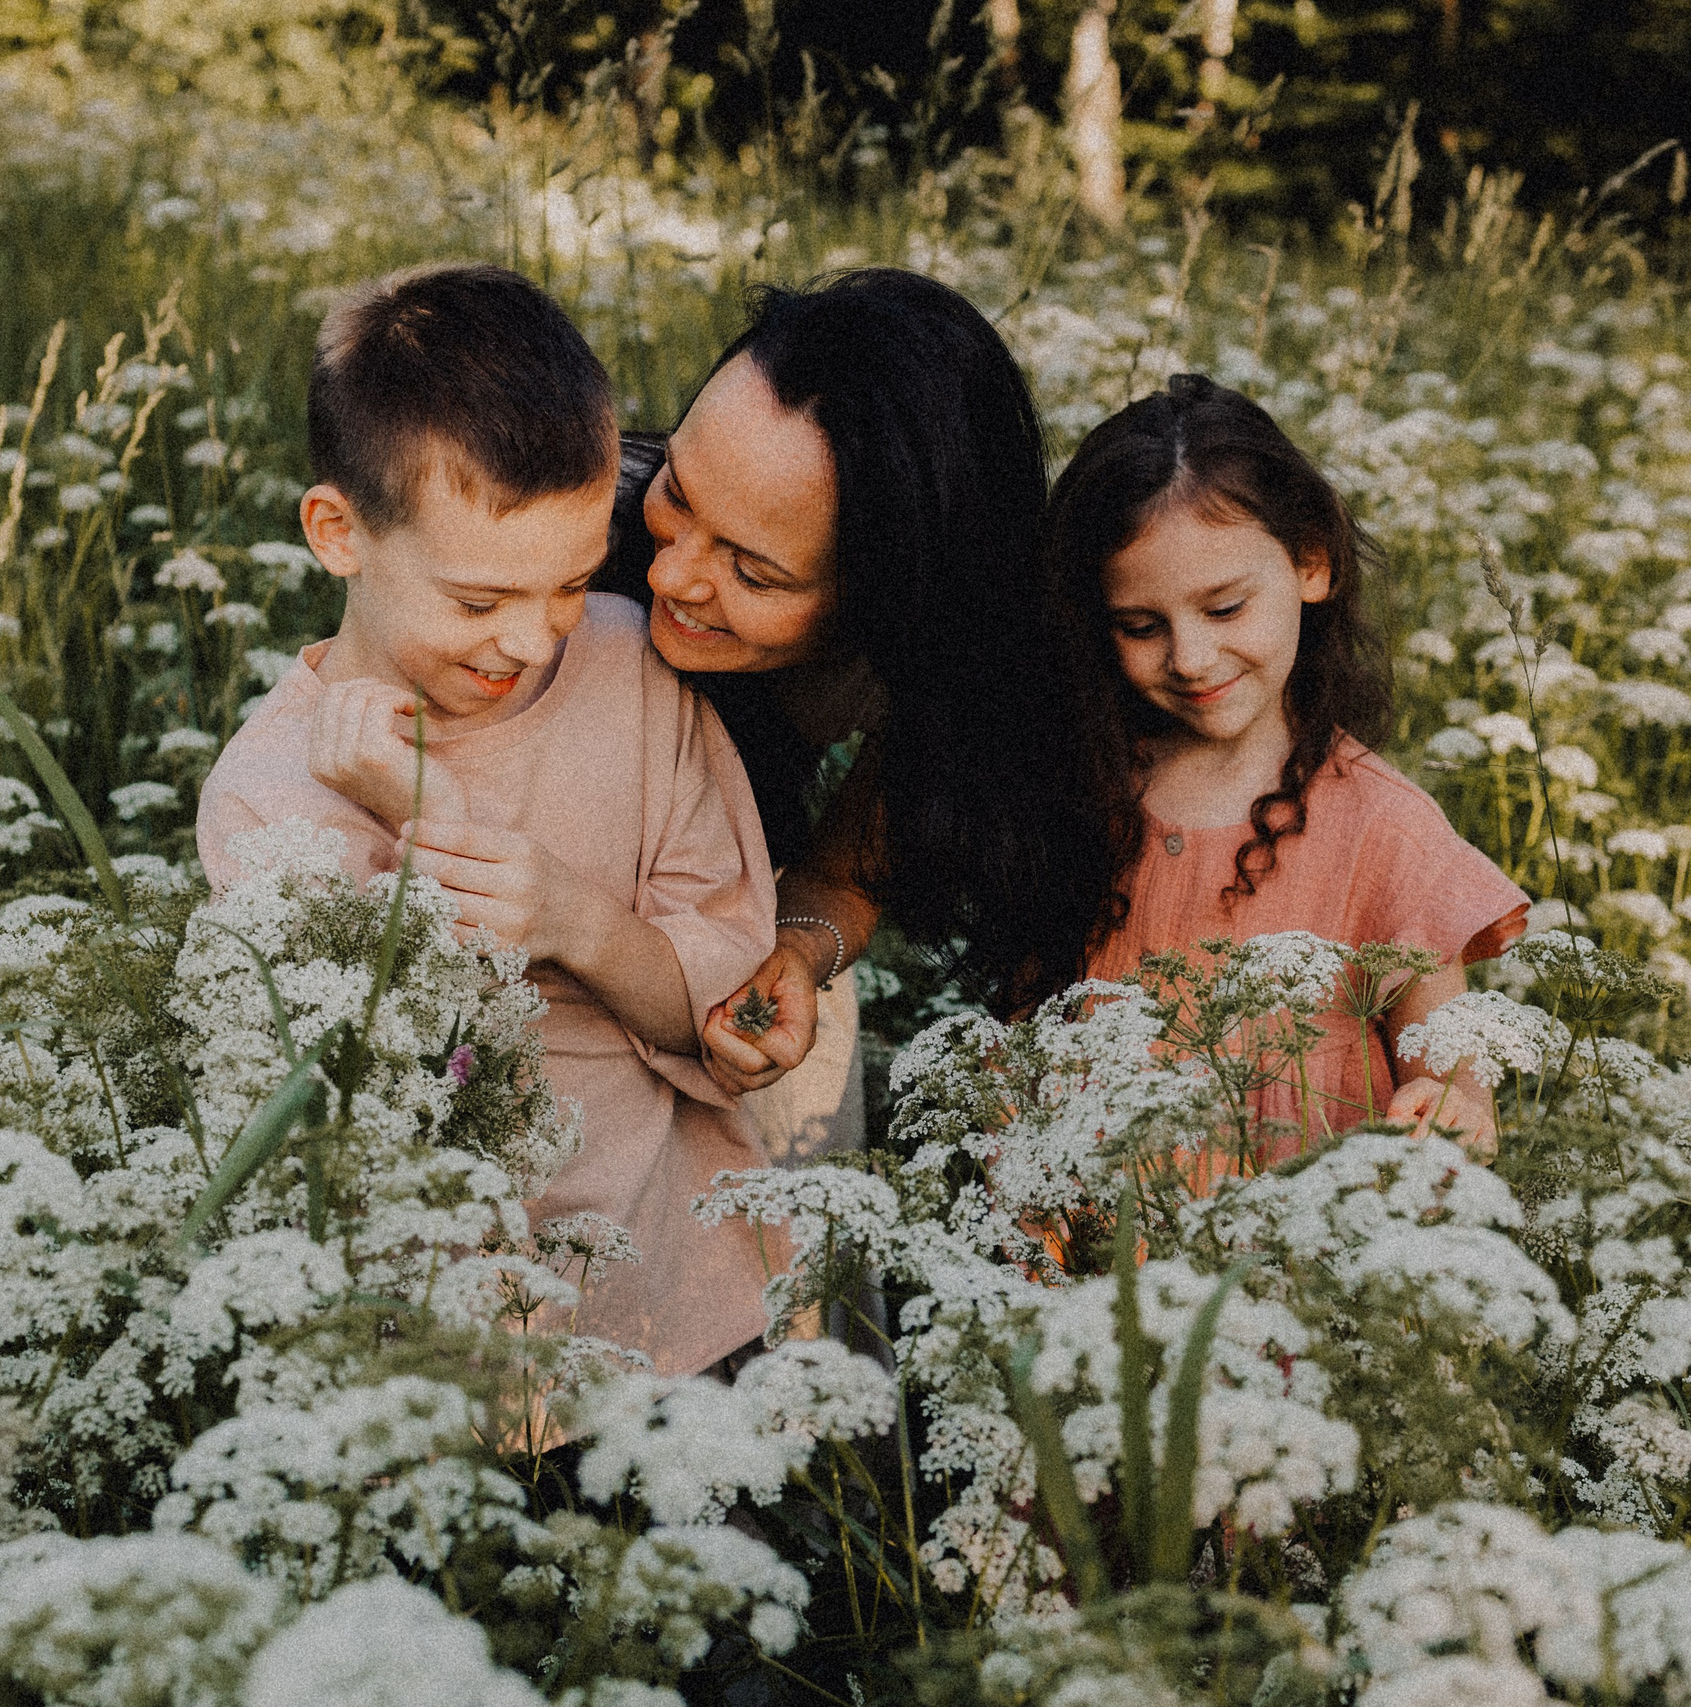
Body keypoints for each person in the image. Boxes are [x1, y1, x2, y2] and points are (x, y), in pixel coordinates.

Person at [195, 263, 776, 1378]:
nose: (532, 640)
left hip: (694, 1305)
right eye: (478, 602)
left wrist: (576, 922)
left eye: (569, 583)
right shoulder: (270, 795)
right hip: (460, 1359)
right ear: (338, 532)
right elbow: (384, 1103)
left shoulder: (634, 672)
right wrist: (430, 818)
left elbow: (732, 1009)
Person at [597, 270, 1133, 1137]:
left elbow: (841, 876)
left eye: (753, 571)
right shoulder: (555, 528)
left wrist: (799, 955)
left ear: (885, 605)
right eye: (679, 494)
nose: (671, 574)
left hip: (727, 966)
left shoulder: (930, 674)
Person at [1051, 373, 1529, 1163]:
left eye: (1225, 608)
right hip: (1091, 1251)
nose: (1191, 657)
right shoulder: (1084, 790)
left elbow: (1454, 1080)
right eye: (1141, 625)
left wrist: (1447, 1112)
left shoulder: (1384, 829)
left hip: (1295, 1260)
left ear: (1312, 564)